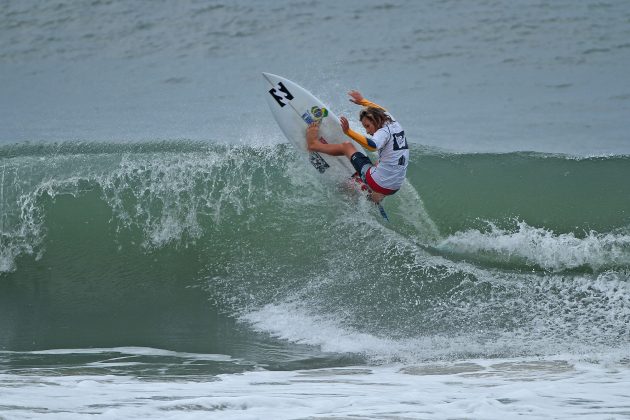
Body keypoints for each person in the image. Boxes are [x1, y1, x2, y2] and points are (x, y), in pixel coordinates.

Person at [306, 90, 409, 204]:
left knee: (347, 146)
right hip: (393, 187)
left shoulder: (383, 133)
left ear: (377, 120)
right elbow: (381, 109)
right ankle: (375, 197)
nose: (367, 131)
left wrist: (349, 132)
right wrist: (363, 101)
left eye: (368, 126)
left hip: (378, 183)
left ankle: (314, 144)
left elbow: (372, 146)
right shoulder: (392, 121)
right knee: (382, 164)